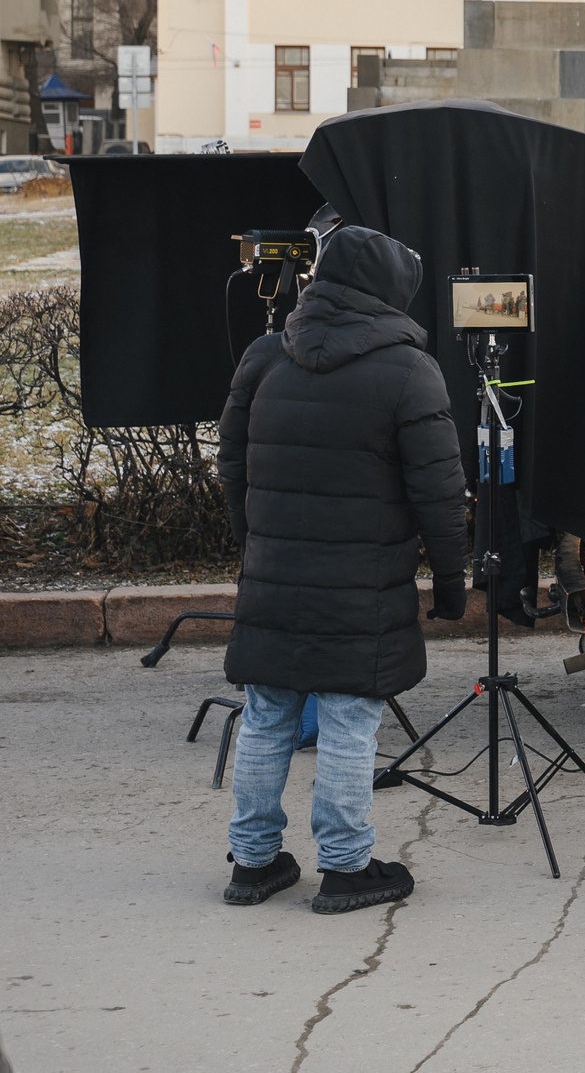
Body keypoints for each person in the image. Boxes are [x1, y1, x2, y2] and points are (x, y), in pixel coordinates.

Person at [216, 226, 468, 913]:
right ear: (390, 293)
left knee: (267, 713)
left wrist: (257, 547)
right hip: (362, 587)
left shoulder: (266, 355)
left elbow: (231, 466)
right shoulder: (410, 372)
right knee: (351, 720)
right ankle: (346, 869)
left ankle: (254, 863)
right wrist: (452, 585)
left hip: (272, 574)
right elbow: (439, 495)